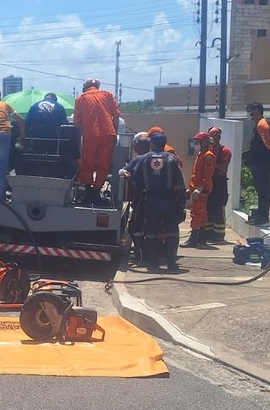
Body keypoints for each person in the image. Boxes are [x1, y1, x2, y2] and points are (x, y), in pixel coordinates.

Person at [131, 130, 187, 271]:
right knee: (172, 232)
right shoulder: (172, 159)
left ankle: (153, 263)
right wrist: (181, 201)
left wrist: (139, 197)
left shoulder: (144, 159)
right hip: (169, 201)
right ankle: (171, 263)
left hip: (151, 201)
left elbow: (136, 180)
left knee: (151, 232)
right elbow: (179, 183)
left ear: (152, 144)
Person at [73, 78, 121, 197]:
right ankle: (96, 191)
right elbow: (116, 117)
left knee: (88, 164)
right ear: (98, 86)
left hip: (91, 135)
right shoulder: (108, 95)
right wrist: (115, 133)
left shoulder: (81, 99)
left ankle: (89, 192)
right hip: (108, 134)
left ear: (85, 87)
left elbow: (77, 124)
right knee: (103, 165)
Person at [245, 102, 270, 225]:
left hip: (262, 162)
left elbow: (267, 142)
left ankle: (263, 217)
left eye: (252, 112)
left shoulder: (262, 124)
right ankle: (260, 216)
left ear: (258, 110)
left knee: (263, 189)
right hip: (258, 162)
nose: (250, 115)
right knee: (260, 190)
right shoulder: (258, 124)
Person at [119, 132, 151, 264]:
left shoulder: (139, 159)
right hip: (159, 199)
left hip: (142, 198)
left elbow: (122, 171)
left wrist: (125, 174)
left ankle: (141, 253)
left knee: (134, 226)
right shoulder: (162, 158)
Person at [184, 132, 216, 247]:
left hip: (201, 190)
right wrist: (191, 188)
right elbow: (195, 174)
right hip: (197, 188)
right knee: (201, 214)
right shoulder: (200, 154)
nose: (195, 145)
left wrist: (199, 189)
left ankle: (194, 239)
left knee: (196, 213)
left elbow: (207, 176)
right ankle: (201, 239)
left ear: (203, 143)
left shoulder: (208, 156)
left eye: (197, 142)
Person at [205, 126, 232, 242]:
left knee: (218, 209)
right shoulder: (207, 151)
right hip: (209, 181)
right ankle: (208, 233)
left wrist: (212, 162)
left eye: (214, 138)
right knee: (208, 208)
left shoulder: (225, 151)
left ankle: (219, 235)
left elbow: (223, 168)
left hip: (219, 182)